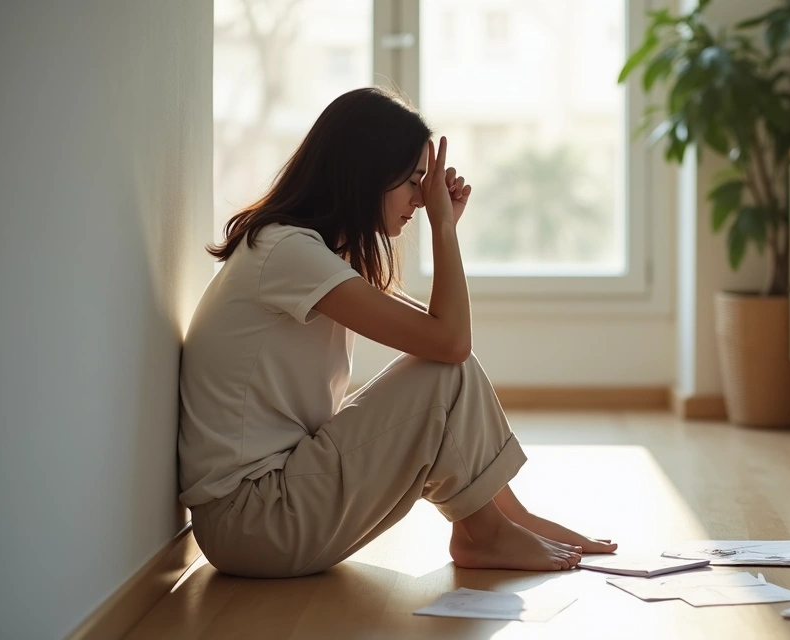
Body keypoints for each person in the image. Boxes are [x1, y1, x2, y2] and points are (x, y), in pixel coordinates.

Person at [177, 86, 617, 578]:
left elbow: (442, 337)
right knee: (444, 371)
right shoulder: (288, 253)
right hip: (253, 522)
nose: (419, 200)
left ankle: (506, 521)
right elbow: (449, 340)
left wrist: (443, 223)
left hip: (267, 506)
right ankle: (485, 532)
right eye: (412, 183)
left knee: (451, 369)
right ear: (367, 176)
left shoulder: (310, 253)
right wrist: (443, 229)